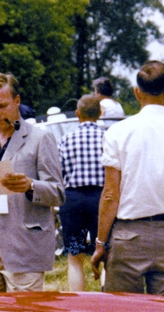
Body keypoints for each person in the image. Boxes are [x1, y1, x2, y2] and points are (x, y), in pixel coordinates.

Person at [90, 60, 164, 297]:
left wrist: (100, 243)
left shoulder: (117, 132)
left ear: (137, 92)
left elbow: (111, 194)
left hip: (126, 236)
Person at [0, 73, 65, 293]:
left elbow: (58, 193)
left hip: (23, 241)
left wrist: (30, 186)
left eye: (3, 106)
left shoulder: (40, 139)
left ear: (17, 101)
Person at [57, 94, 106, 292]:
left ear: (77, 114)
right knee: (106, 254)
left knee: (75, 257)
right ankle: (107, 300)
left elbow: (58, 173)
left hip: (73, 201)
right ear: (100, 113)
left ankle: (78, 303)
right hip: (102, 200)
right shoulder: (108, 137)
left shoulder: (65, 139)